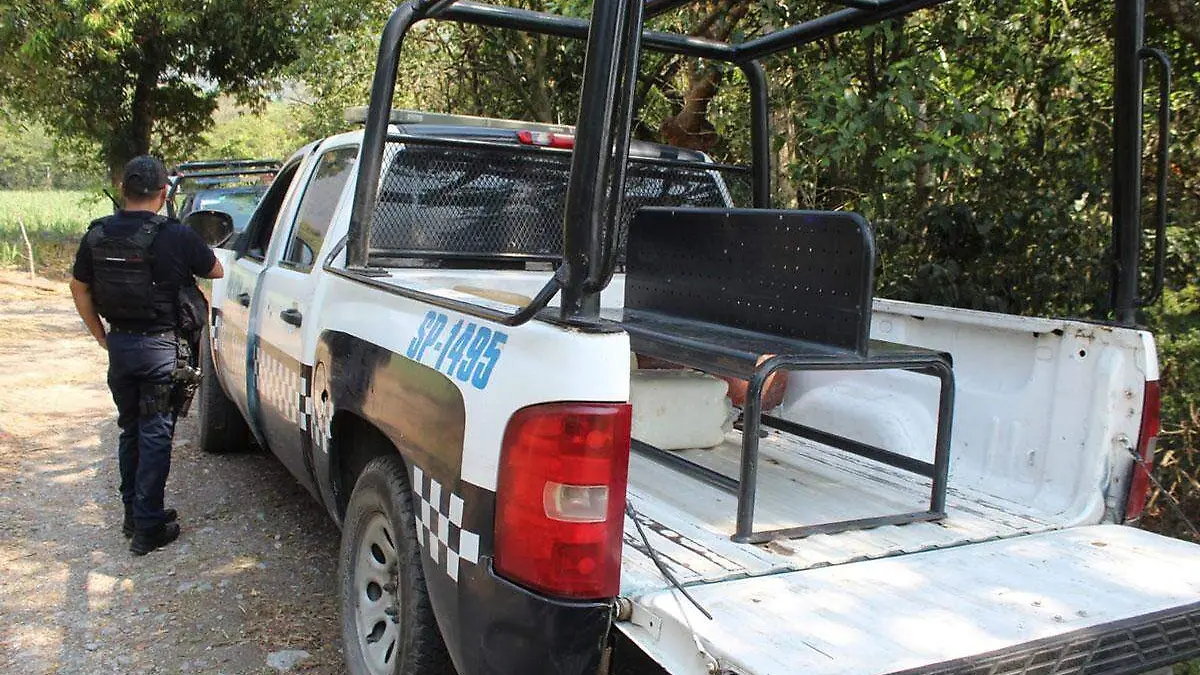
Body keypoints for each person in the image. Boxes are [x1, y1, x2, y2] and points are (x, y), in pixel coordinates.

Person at [69, 155, 225, 556]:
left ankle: (134, 515)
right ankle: (148, 527)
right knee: (155, 434)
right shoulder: (176, 235)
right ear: (163, 192)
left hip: (121, 346)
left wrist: (100, 335)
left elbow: (78, 287)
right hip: (161, 348)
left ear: (123, 189)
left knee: (131, 430)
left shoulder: (97, 234)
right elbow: (216, 270)